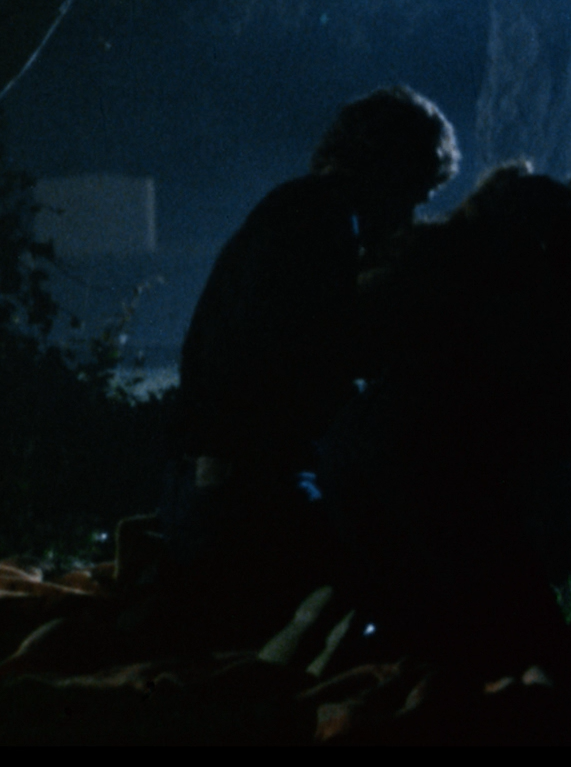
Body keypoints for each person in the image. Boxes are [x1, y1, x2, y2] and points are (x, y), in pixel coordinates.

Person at [321, 133, 571, 671]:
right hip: (430, 462)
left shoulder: (532, 284)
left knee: (453, 634)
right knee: (519, 655)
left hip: (373, 442)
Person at [155, 85, 459, 641]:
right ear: (390, 167)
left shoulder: (298, 211)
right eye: (414, 194)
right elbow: (313, 357)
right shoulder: (321, 222)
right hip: (244, 495)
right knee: (402, 587)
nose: (410, 214)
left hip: (209, 486)